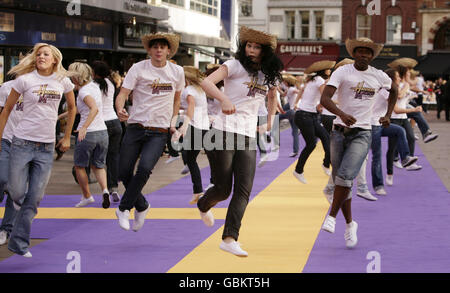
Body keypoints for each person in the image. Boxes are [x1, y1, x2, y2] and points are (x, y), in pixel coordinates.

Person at [198, 26, 283, 257]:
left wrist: (270, 120)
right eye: (248, 45)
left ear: (265, 51)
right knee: (223, 190)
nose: (251, 50)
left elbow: (273, 95)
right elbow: (206, 82)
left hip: (247, 135)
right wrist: (223, 98)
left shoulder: (269, 74)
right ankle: (204, 204)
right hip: (222, 131)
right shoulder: (234, 66)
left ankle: (229, 238)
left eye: (256, 47)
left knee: (244, 190)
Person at [320, 38, 397, 248]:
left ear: (372, 56)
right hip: (338, 131)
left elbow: (394, 91)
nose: (363, 55)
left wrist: (388, 115)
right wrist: (341, 114)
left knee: (345, 176)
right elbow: (324, 99)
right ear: (354, 54)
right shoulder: (342, 72)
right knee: (341, 182)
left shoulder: (379, 75)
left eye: (368, 52)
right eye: (360, 51)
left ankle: (332, 216)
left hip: (363, 132)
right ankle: (350, 224)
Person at [0, 43, 76, 257]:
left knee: (35, 198)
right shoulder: (25, 80)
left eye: (46, 54)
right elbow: (6, 110)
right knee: (15, 192)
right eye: (39, 54)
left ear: (55, 60)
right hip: (22, 142)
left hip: (46, 146)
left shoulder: (63, 81)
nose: (41, 57)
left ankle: (19, 242)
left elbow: (72, 108)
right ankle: (19, 221)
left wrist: (68, 137)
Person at [114, 32, 184, 232]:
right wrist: (120, 108)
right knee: (124, 172)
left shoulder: (177, 72)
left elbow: (177, 100)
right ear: (149, 50)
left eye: (163, 47)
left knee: (144, 169)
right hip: (136, 126)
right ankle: (142, 205)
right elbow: (123, 94)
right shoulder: (138, 68)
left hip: (159, 130)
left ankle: (124, 208)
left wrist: (173, 121)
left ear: (169, 51)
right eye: (155, 47)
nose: (159, 50)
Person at [69, 62, 110, 208]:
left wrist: (84, 127)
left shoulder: (83, 92)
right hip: (102, 132)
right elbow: (87, 109)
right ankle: (105, 190)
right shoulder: (94, 87)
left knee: (79, 166)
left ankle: (87, 196)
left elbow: (93, 109)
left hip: (88, 134)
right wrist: (62, 115)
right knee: (98, 165)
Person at [292, 60, 334, 183]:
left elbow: (302, 91)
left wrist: (296, 103)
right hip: (305, 116)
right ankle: (298, 170)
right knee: (312, 143)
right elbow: (325, 97)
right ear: (324, 71)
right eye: (329, 69)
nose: (330, 71)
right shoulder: (320, 80)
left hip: (307, 115)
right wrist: (323, 105)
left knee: (325, 137)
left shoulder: (311, 80)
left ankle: (326, 164)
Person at [177, 66, 210, 204]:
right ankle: (200, 189)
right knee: (191, 159)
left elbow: (190, 108)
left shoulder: (189, 91)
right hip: (204, 126)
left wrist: (185, 125)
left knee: (190, 159)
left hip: (195, 126)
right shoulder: (200, 90)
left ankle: (198, 190)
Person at [92, 61, 123, 203]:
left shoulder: (92, 86)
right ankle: (114, 187)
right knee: (113, 156)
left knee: (94, 156)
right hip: (115, 123)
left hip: (100, 124)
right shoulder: (110, 84)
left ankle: (85, 182)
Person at [0, 75, 22, 246]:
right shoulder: (6, 87)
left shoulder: (40, 88)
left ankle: (5, 229)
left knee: (16, 191)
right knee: (3, 179)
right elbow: (2, 113)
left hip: (27, 144)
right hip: (6, 140)